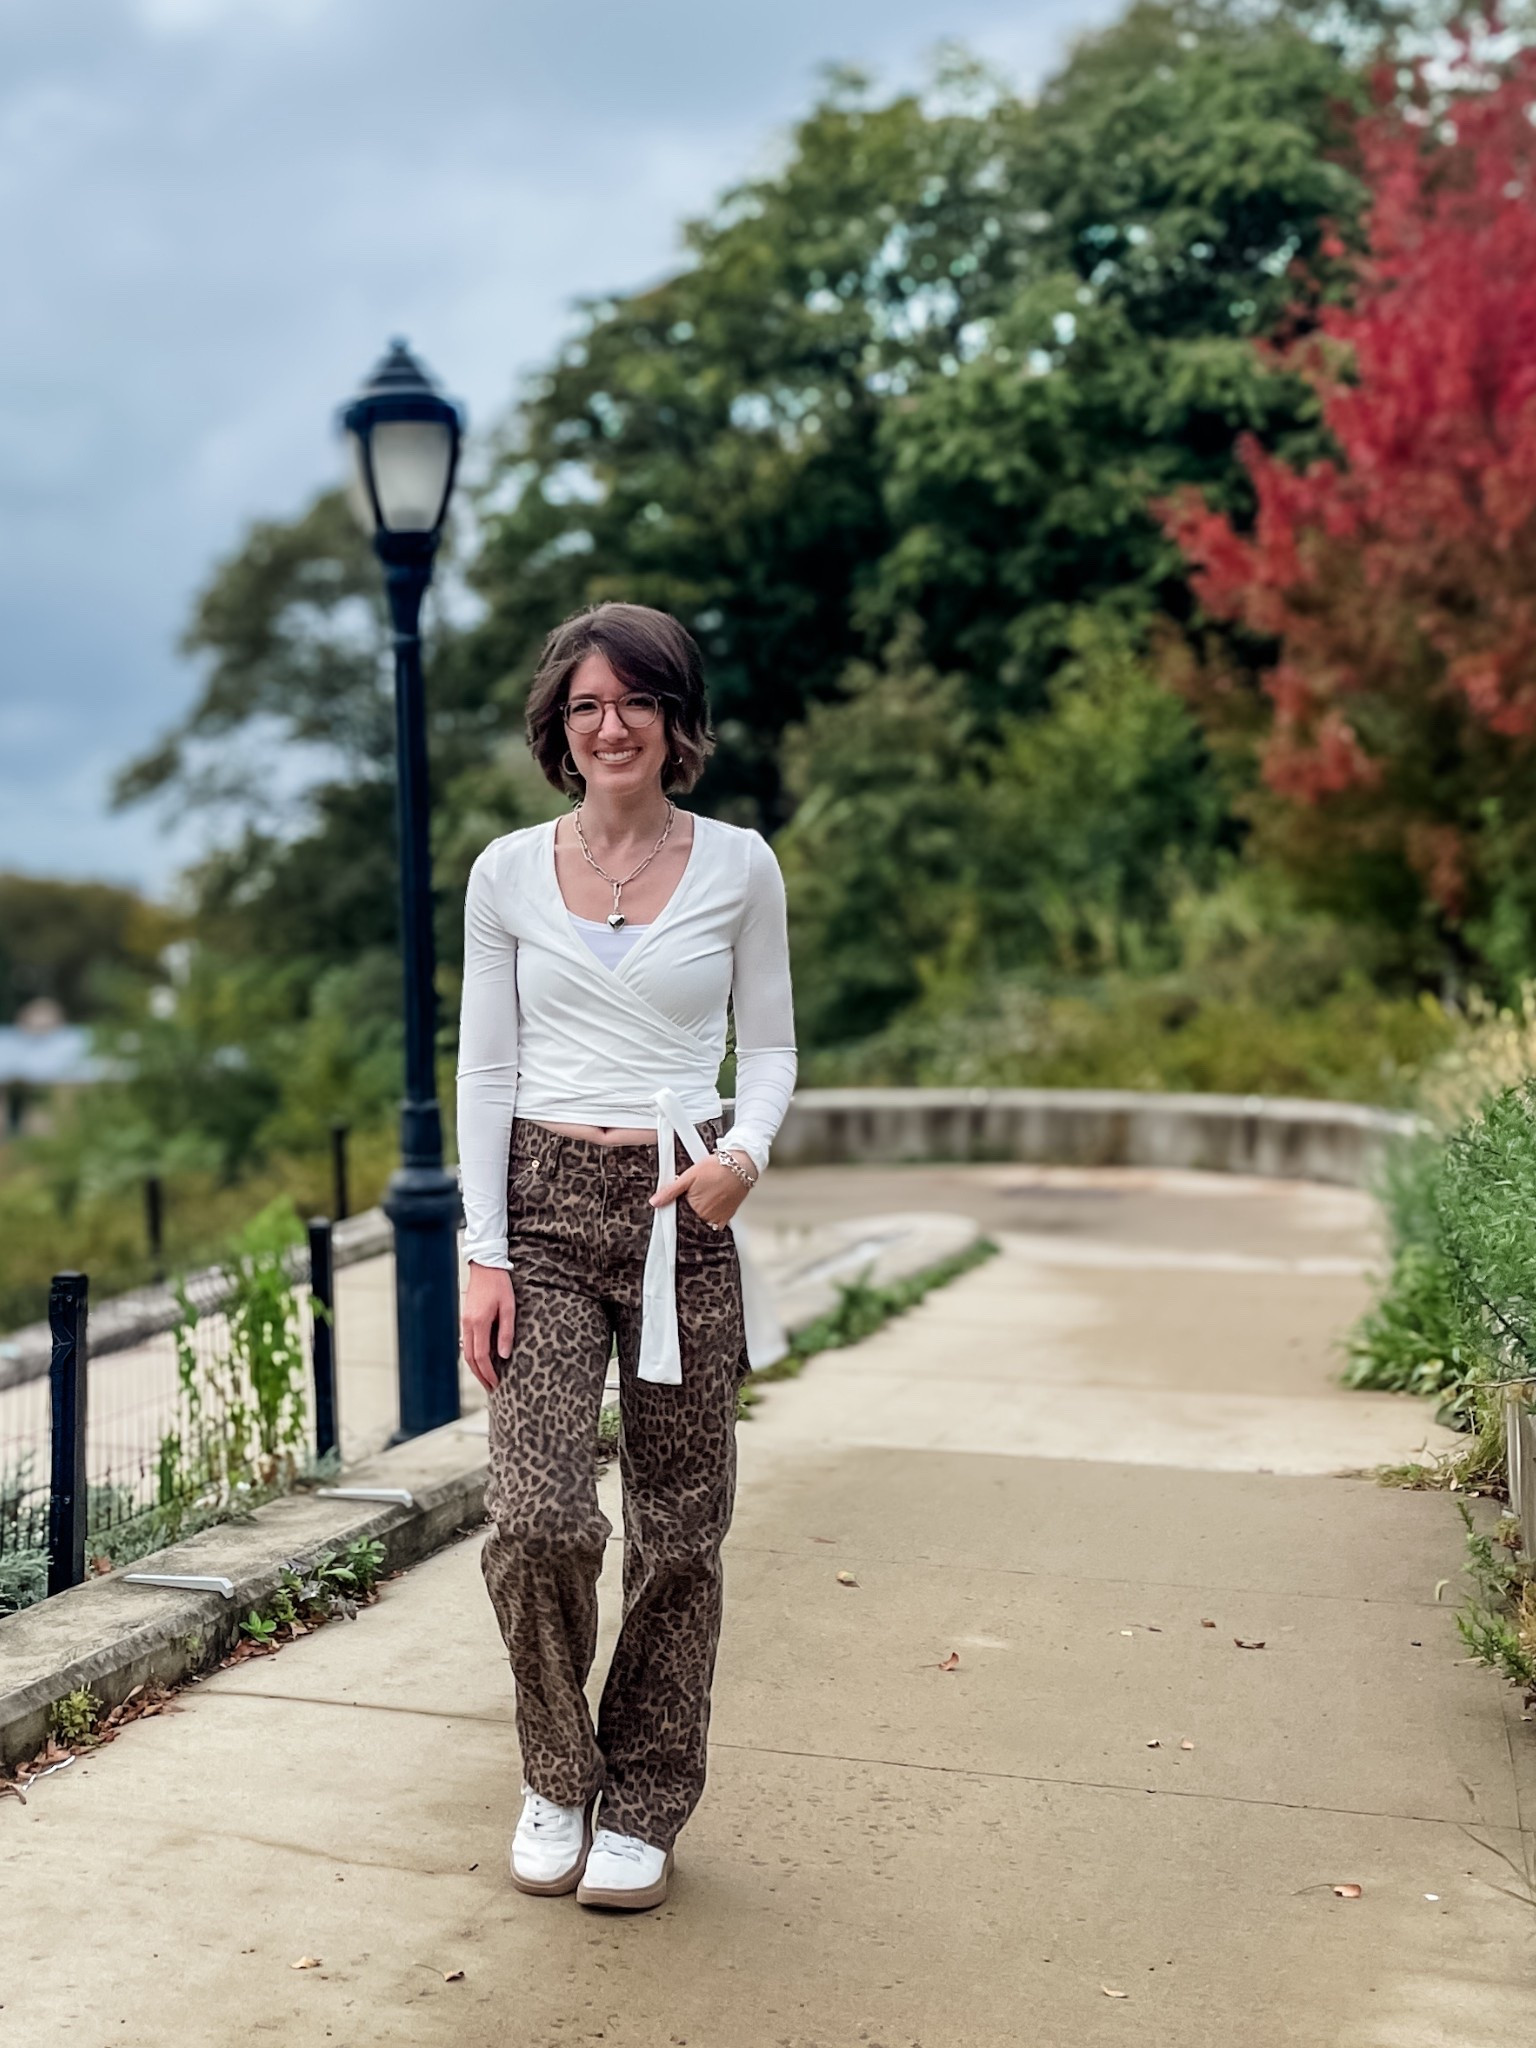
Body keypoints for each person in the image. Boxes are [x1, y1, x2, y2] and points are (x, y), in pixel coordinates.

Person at [455, 601, 797, 1912]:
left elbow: (766, 1048)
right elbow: (484, 1071)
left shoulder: (739, 867)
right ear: (560, 724)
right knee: (536, 1518)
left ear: (675, 720)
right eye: (588, 705)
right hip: (540, 1209)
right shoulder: (503, 875)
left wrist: (741, 1160)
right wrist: (483, 1252)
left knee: (681, 1529)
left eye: (637, 702)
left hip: (681, 1211)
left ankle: (647, 1796)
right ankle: (558, 1772)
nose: (613, 725)